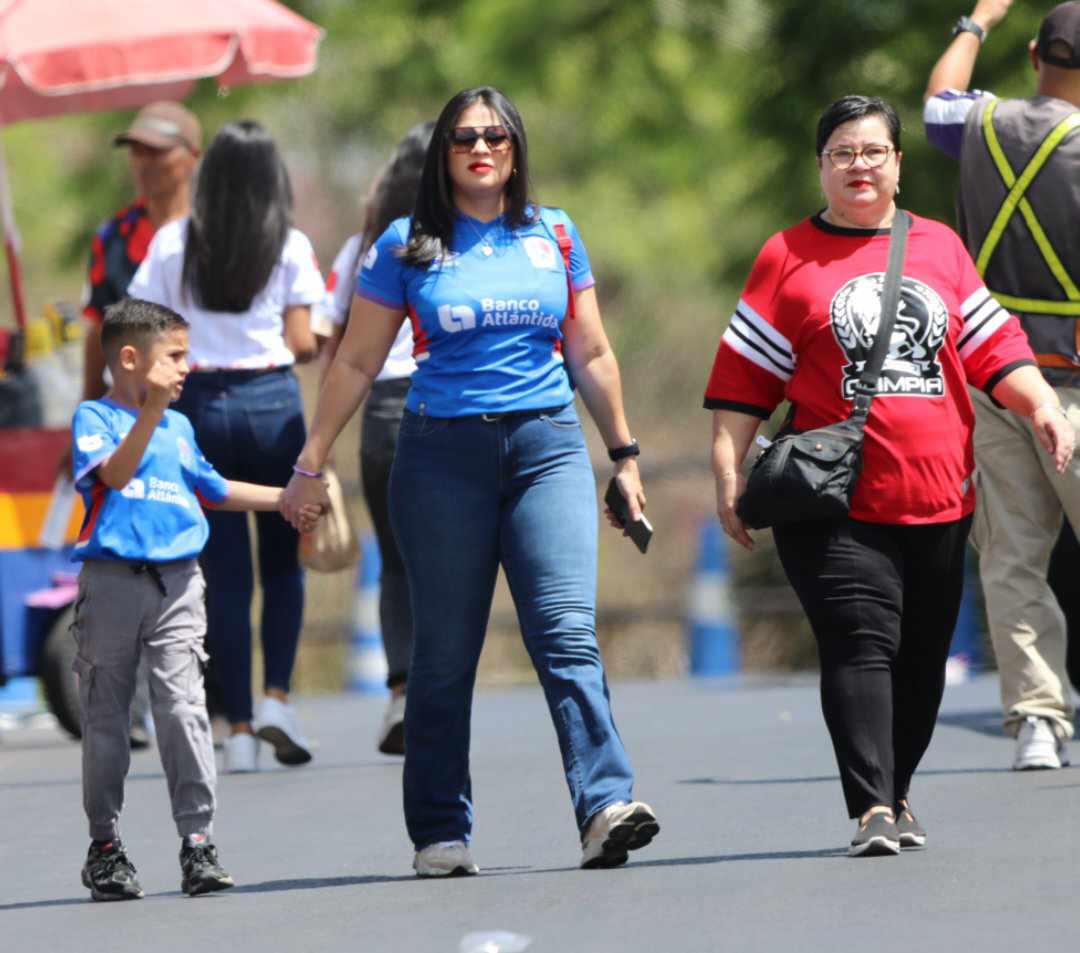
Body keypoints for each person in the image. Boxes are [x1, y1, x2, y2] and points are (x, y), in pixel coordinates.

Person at [282, 85, 659, 876]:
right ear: (442, 155)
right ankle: (440, 829)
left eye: (496, 136)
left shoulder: (555, 233)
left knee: (566, 632)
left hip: (547, 448)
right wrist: (311, 462)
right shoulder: (406, 244)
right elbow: (354, 361)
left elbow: (590, 352)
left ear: (516, 149)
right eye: (464, 138)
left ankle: (605, 805)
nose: (481, 149)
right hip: (441, 456)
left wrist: (624, 455)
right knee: (445, 651)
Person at [705, 95, 1074, 857]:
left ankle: (896, 788)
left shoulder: (940, 247)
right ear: (821, 167)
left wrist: (1042, 403)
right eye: (842, 153)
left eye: (873, 151)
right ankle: (872, 806)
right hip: (832, 494)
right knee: (858, 638)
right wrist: (727, 471)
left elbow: (994, 347)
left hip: (938, 494)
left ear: (898, 165)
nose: (859, 166)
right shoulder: (787, 256)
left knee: (920, 656)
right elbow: (744, 383)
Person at [70, 299, 320, 901]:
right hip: (112, 584)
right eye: (176, 356)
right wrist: (152, 411)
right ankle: (105, 846)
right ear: (131, 359)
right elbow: (116, 476)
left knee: (184, 711)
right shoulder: (95, 418)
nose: (188, 367)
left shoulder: (179, 428)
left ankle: (198, 842)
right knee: (107, 721)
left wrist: (289, 497)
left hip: (179, 584)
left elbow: (214, 488)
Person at [129, 120, 325, 774]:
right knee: (284, 563)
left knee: (224, 577)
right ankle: (277, 700)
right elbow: (302, 342)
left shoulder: (172, 243)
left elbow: (139, 324)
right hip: (272, 406)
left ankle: (237, 729)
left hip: (200, 410)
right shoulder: (290, 244)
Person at [924, 0, 1080, 769]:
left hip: (992, 376)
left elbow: (936, 102)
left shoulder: (983, 125)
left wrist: (976, 21)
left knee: (1012, 556)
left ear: (1033, 55)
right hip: (1073, 381)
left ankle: (1037, 720)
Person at [79, 101, 202, 749]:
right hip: (127, 416)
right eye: (137, 151)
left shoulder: (213, 231)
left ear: (191, 158)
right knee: (125, 546)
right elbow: (94, 328)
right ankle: (126, 702)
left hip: (196, 406)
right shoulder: (113, 237)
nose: (145, 164)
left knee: (191, 548)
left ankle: (198, 692)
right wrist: (87, 408)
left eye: (158, 151)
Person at [316, 121, 434, 755]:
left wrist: (322, 441)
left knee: (395, 558)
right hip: (447, 404)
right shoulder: (466, 241)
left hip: (382, 414)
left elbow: (335, 351)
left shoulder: (365, 248)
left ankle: (402, 692)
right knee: (452, 559)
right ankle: (441, 690)